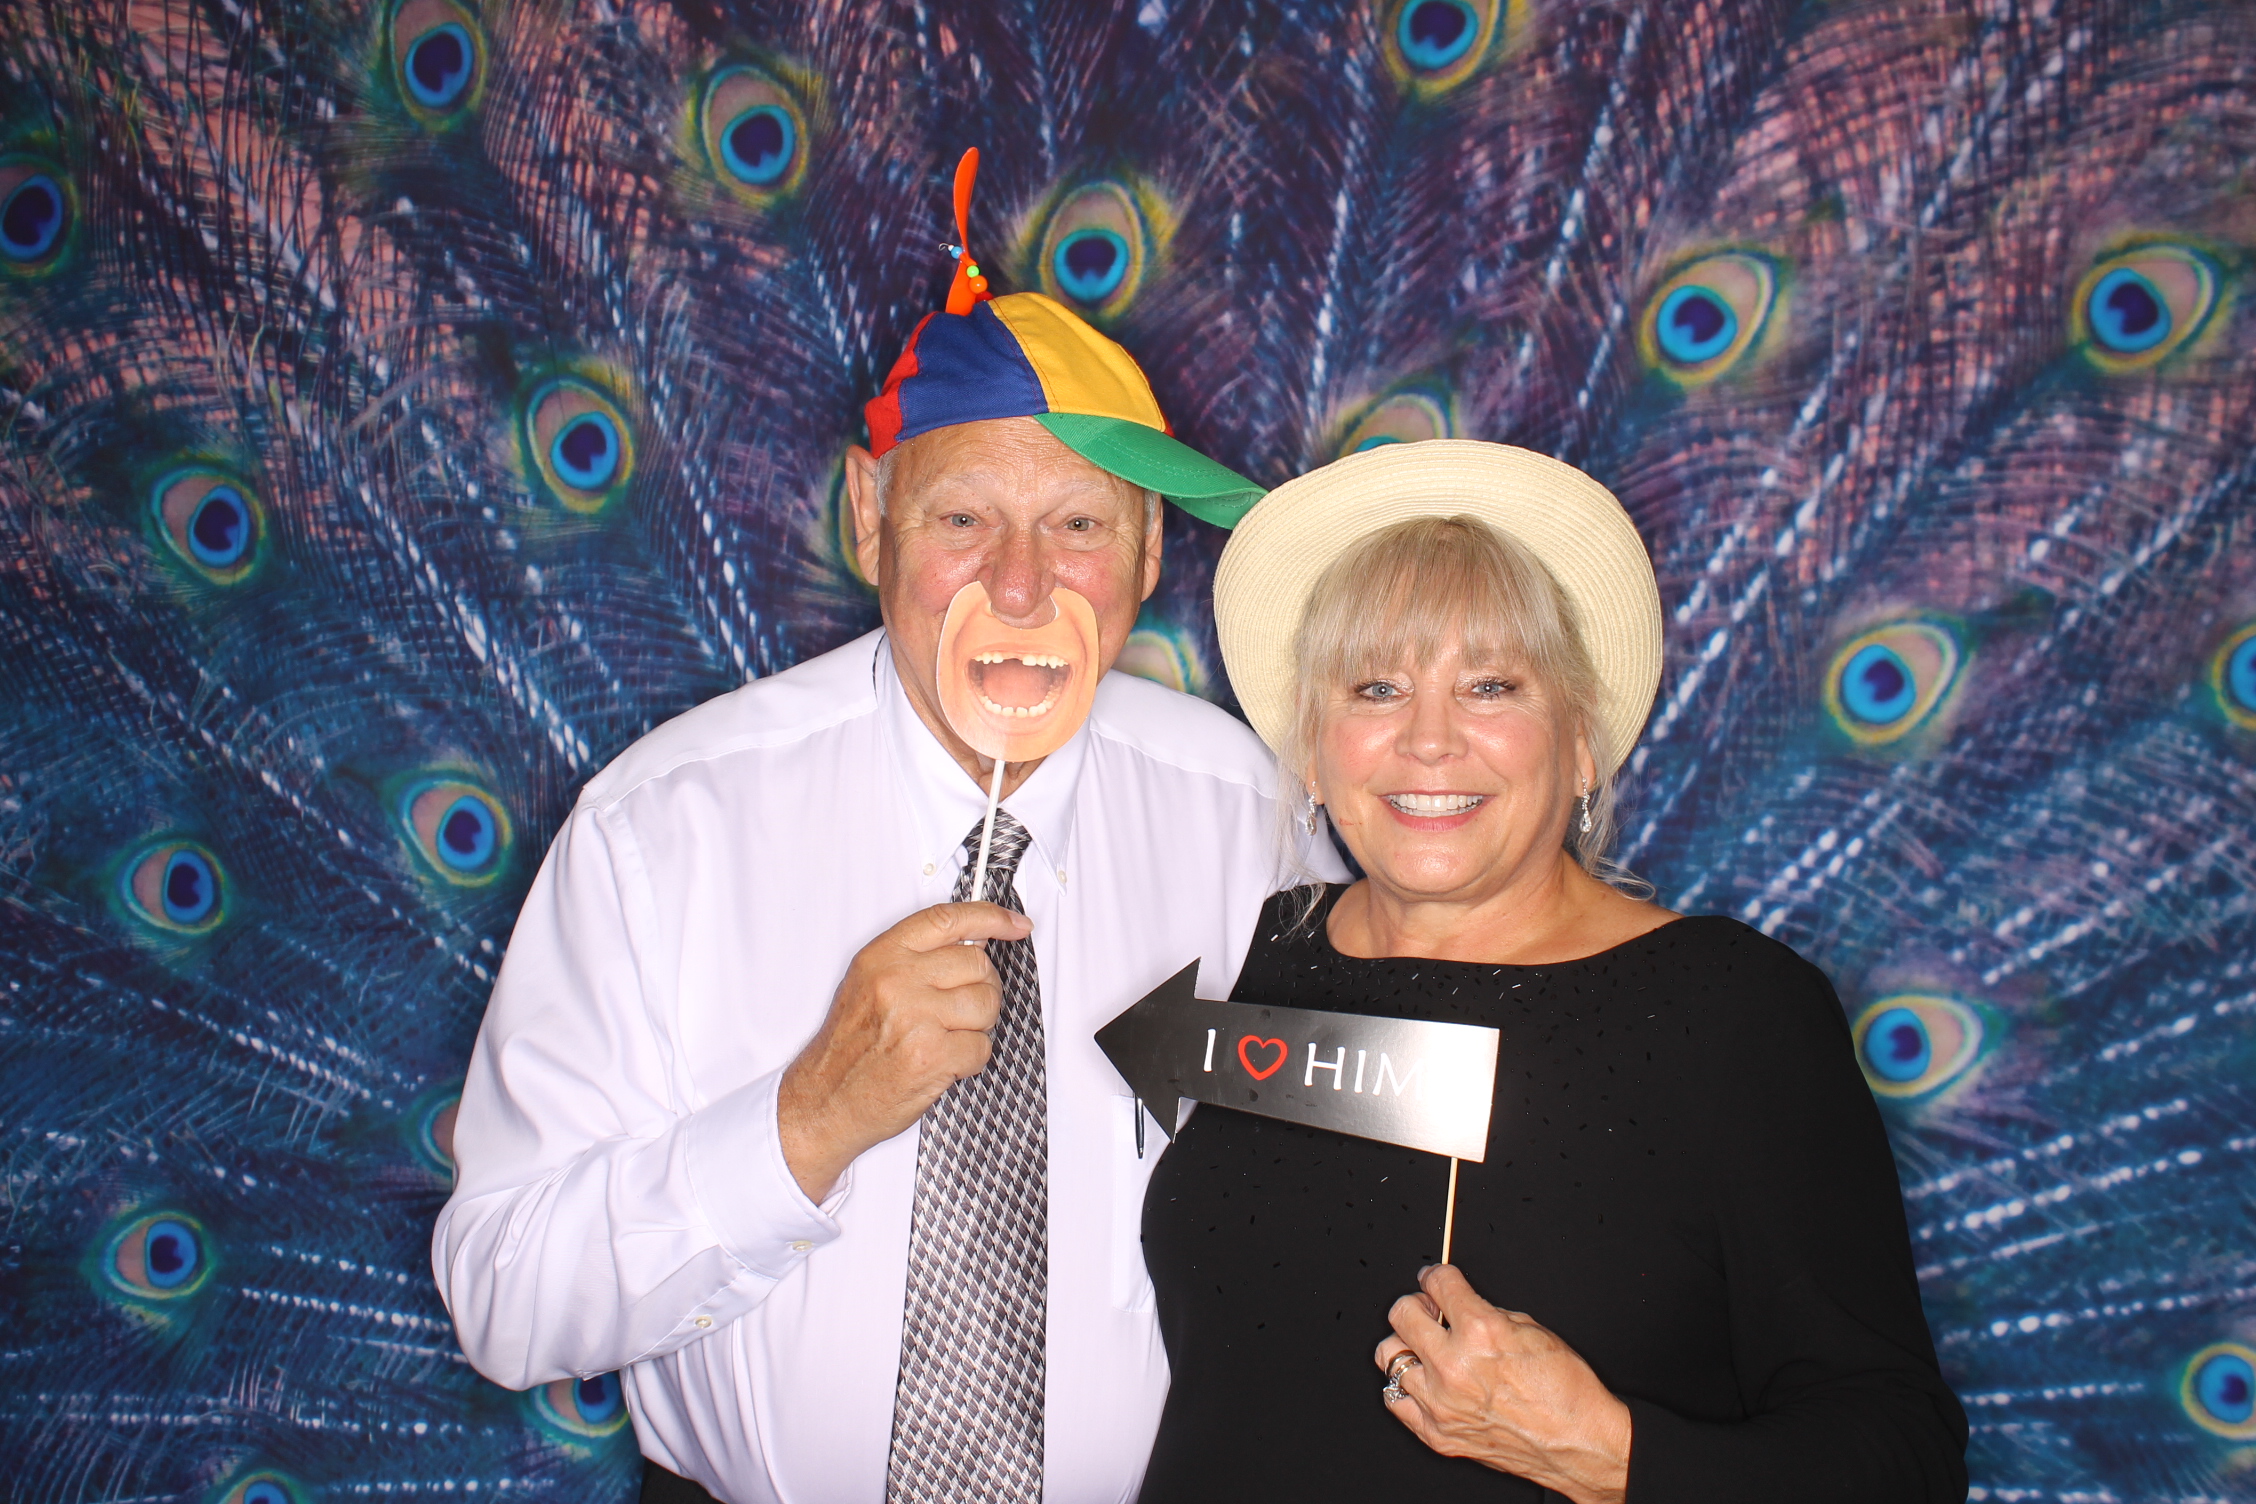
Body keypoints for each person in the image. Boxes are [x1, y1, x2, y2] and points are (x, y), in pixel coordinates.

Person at [432, 286, 1339, 1504]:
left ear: (1150, 550)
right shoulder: (658, 828)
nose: (1021, 585)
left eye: (1078, 523)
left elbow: (1348, 1205)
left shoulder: (1254, 822)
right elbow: (502, 1297)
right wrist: (804, 1122)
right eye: (963, 516)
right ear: (871, 517)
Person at [1138, 441, 1969, 1502]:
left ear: (1581, 741)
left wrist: (1612, 1453)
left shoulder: (1732, 1014)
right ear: (1312, 746)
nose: (1429, 741)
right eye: (1377, 686)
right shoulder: (1259, 951)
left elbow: (1903, 1456)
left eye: (1491, 685)